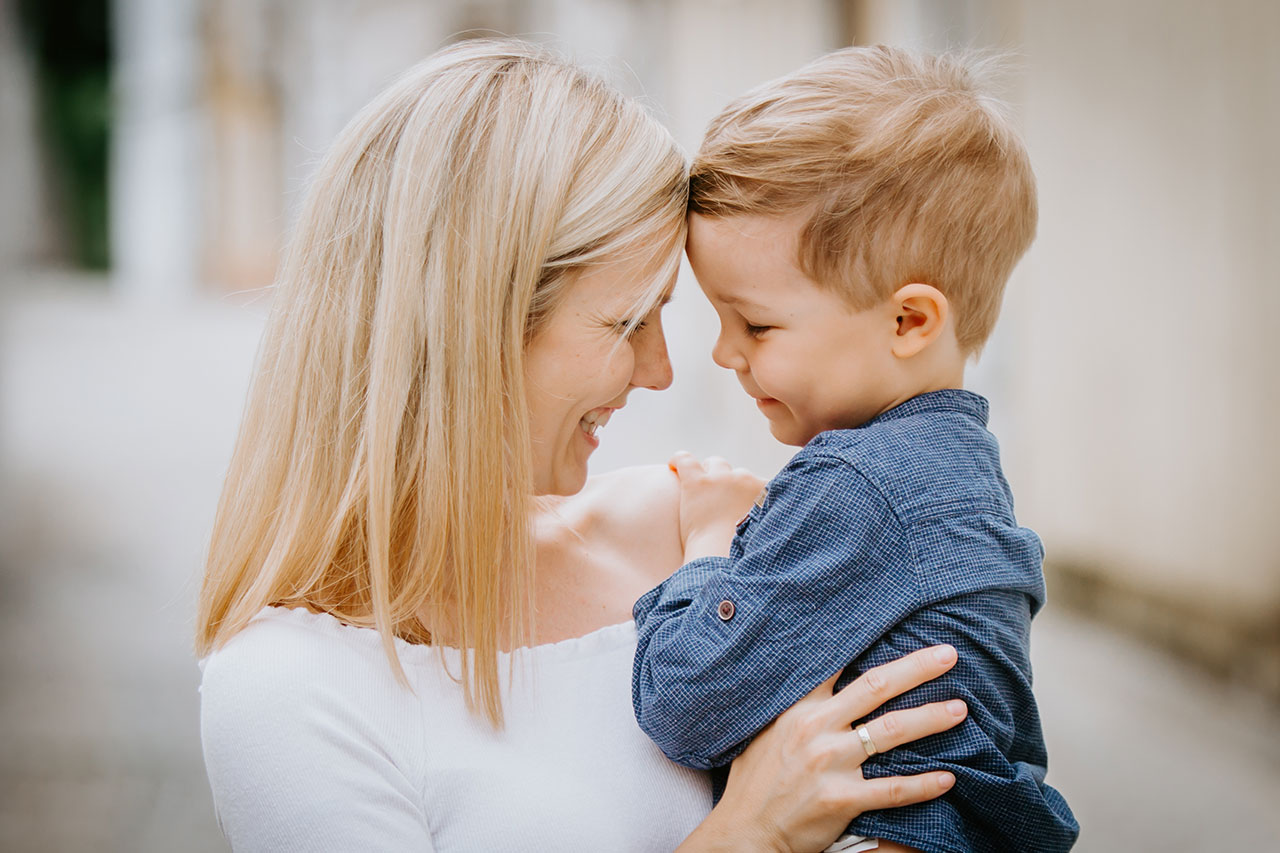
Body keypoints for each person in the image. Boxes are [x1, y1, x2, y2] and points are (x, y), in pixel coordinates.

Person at [195, 39, 969, 852]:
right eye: (628, 320)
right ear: (469, 327)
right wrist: (751, 835)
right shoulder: (288, 687)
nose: (663, 371)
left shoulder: (690, 530)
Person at [631, 46, 1080, 852]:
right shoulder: (961, 467)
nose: (724, 353)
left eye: (757, 324)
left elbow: (685, 699)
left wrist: (705, 543)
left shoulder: (856, 485)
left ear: (909, 321)